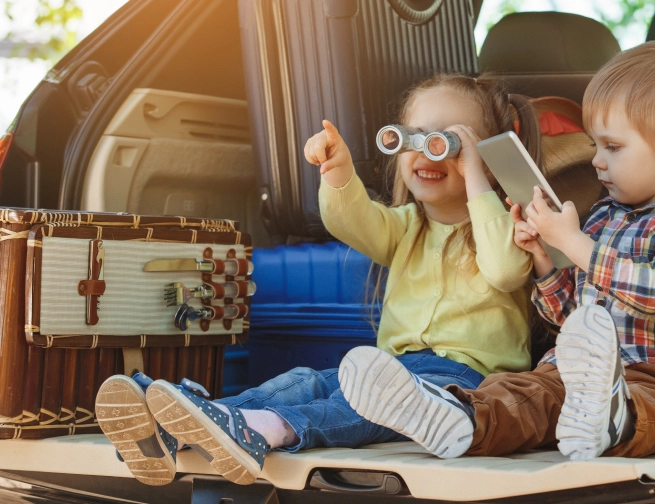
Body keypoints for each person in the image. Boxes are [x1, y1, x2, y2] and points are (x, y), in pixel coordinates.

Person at [95, 73, 542, 485]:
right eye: (414, 138)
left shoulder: (507, 226)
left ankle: (268, 429)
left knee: (355, 406)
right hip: (389, 366)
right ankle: (190, 421)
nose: (426, 152)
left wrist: (479, 180)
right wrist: (339, 171)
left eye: (447, 142)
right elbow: (351, 220)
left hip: (461, 381)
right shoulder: (406, 226)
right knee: (308, 380)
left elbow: (504, 271)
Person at [339, 40, 655, 461]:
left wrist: (576, 244)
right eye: (595, 146)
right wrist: (544, 261)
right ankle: (456, 418)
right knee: (519, 394)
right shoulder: (599, 218)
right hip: (567, 373)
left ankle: (613, 419)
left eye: (612, 148)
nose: (597, 161)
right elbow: (567, 316)